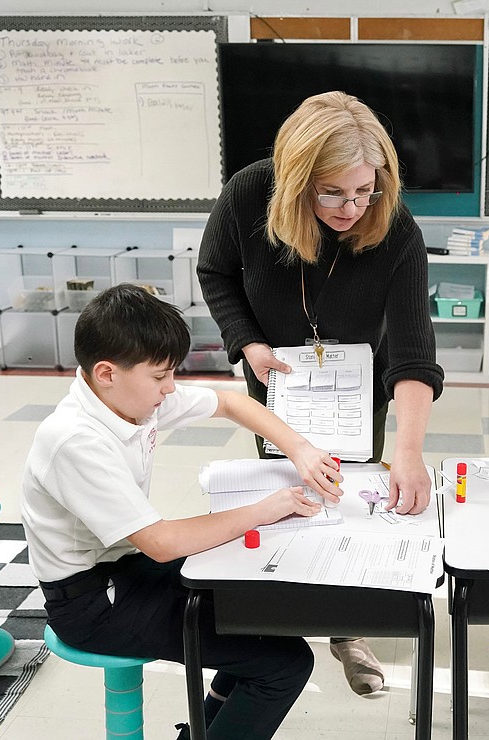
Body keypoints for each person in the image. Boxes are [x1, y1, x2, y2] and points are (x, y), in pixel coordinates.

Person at [197, 90, 444, 695]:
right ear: (297, 181)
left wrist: (408, 454)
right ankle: (269, 635)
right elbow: (215, 271)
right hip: (279, 379)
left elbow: (414, 352)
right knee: (288, 493)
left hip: (360, 385)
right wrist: (247, 343)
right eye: (333, 192)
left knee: (355, 496)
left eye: (366, 191)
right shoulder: (249, 194)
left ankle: (347, 626)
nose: (352, 207)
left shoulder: (396, 229)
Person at [22, 283, 342, 740]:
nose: (170, 388)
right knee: (284, 665)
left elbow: (231, 401)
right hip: (91, 603)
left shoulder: (128, 400)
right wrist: (264, 509)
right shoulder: (76, 440)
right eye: (160, 377)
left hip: (124, 569)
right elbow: (162, 543)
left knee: (256, 613)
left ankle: (203, 730)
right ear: (107, 373)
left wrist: (301, 450)